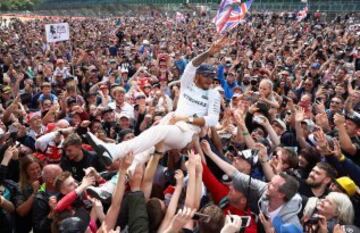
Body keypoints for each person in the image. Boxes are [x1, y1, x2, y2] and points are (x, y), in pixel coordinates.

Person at [85, 36, 227, 166]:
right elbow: (191, 66)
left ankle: (115, 151)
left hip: (187, 132)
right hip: (172, 120)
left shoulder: (213, 94)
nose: (210, 80)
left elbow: (213, 120)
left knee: (157, 132)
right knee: (145, 153)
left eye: (212, 77)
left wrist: (187, 119)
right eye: (206, 76)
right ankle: (111, 186)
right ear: (197, 76)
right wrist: (208, 52)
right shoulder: (187, 84)